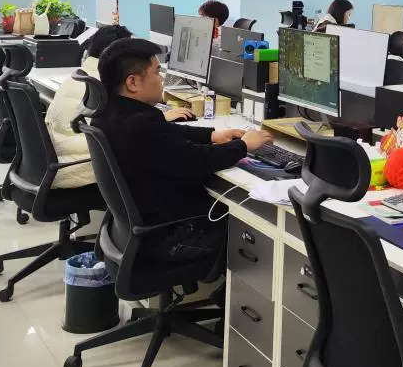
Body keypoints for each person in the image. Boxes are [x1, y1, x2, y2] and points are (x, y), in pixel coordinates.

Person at [92, 38, 272, 262]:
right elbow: (195, 160)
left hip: (137, 231)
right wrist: (244, 145)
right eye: (157, 72)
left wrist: (211, 135)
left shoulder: (111, 112)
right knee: (253, 232)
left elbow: (167, 133)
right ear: (133, 82)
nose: (162, 79)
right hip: (169, 237)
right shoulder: (141, 124)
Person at [42, 24, 196, 190]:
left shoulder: (81, 76)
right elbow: (124, 128)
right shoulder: (105, 86)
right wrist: (162, 117)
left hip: (58, 160)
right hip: (76, 168)